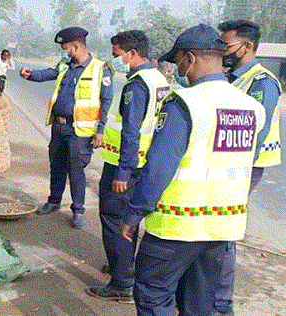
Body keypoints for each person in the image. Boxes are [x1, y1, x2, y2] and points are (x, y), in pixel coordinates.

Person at [119, 24, 265, 315]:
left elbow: (158, 169)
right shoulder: (251, 107)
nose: (177, 68)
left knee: (153, 296)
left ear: (190, 58)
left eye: (178, 61)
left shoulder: (184, 103)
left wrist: (133, 214)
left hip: (176, 226)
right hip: (222, 226)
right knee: (199, 303)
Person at [88, 30, 169, 302]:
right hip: (143, 163)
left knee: (115, 220)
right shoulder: (157, 79)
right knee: (128, 219)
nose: (116, 60)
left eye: (117, 54)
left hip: (125, 165)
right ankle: (123, 266)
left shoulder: (136, 85)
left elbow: (131, 132)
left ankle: (122, 282)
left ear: (132, 53)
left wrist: (122, 171)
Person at [213, 20, 283, 316]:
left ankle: (221, 303)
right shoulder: (229, 77)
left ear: (247, 46)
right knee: (212, 226)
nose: (223, 51)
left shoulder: (262, 82)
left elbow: (256, 129)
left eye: (227, 46)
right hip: (223, 164)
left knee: (225, 229)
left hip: (245, 167)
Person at [20, 26, 113, 228]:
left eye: (66, 48)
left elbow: (106, 102)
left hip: (80, 131)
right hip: (59, 126)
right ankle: (54, 201)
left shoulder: (100, 69)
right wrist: (29, 74)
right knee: (56, 165)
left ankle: (78, 210)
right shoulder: (65, 65)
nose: (64, 52)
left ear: (76, 46)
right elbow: (47, 74)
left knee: (76, 170)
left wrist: (100, 130)